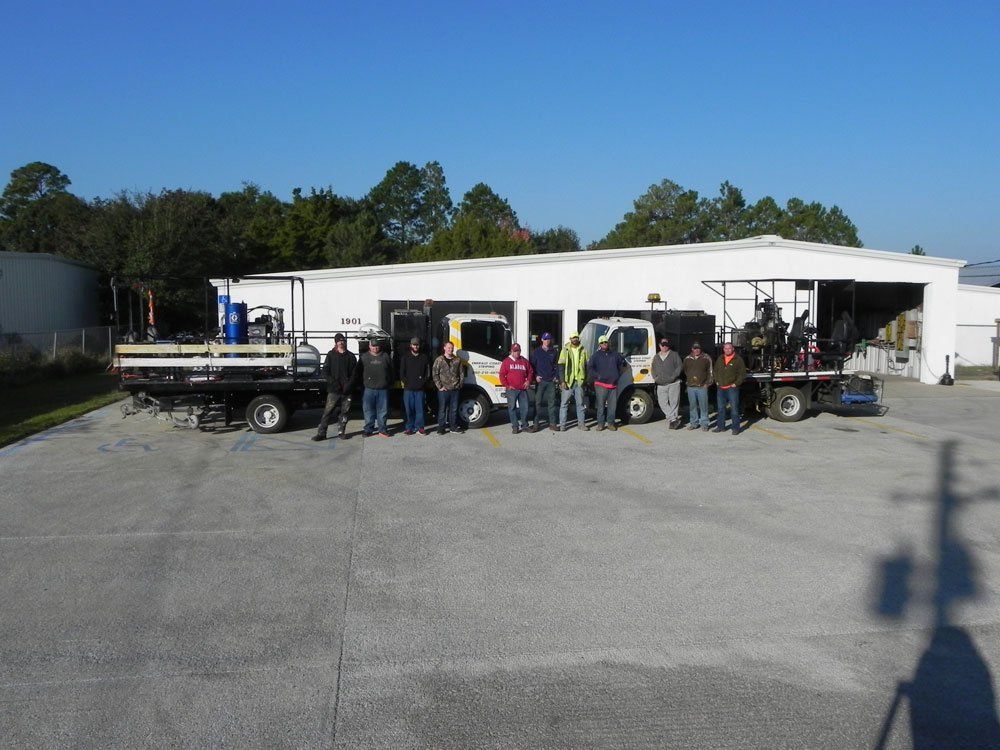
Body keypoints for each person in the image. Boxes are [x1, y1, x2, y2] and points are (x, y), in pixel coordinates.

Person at [312, 333, 357, 441]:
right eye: (339, 341)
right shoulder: (330, 355)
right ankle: (322, 433)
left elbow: (355, 374)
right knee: (327, 412)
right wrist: (333, 383)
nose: (341, 343)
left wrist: (349, 385)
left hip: (346, 391)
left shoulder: (351, 356)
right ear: (336, 342)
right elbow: (325, 371)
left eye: (343, 341)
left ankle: (341, 432)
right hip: (334, 390)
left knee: (344, 412)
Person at [587, 334, 627, 431]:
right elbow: (590, 368)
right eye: (602, 343)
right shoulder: (596, 356)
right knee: (600, 406)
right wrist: (597, 376)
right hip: (600, 385)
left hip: (613, 385)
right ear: (599, 344)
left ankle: (610, 423)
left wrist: (618, 375)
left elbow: (623, 364)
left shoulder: (615, 354)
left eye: (605, 342)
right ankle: (600, 424)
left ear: (608, 343)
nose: (604, 344)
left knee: (612, 406)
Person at [358, 338, 393, 437]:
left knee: (383, 411)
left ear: (379, 346)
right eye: (373, 346)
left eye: (376, 346)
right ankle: (368, 429)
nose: (375, 348)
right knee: (368, 410)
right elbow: (358, 372)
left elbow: (391, 371)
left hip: (383, 389)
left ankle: (382, 429)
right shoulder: (364, 357)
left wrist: (389, 383)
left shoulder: (385, 356)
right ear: (369, 346)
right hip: (368, 389)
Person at [557, 331, 589, 431]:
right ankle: (562, 425)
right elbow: (561, 366)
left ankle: (581, 424)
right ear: (570, 339)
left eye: (576, 337)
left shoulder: (583, 350)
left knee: (580, 404)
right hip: (568, 382)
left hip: (579, 381)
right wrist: (562, 381)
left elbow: (587, 366)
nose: (574, 339)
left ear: (578, 338)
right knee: (564, 404)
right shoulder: (565, 350)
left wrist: (585, 380)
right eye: (573, 337)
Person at [432, 341, 466, 434]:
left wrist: (459, 385)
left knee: (454, 409)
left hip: (455, 389)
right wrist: (440, 386)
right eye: (448, 347)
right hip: (443, 390)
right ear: (444, 348)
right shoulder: (439, 360)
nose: (450, 349)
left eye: (451, 348)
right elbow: (435, 374)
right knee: (442, 409)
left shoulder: (457, 360)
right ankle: (441, 428)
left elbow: (461, 373)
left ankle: (453, 427)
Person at [499, 342, 534, 434]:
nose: (517, 353)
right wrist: (507, 385)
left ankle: (525, 425)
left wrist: (528, 381)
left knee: (525, 408)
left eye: (518, 351)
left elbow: (530, 371)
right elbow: (502, 375)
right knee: (512, 408)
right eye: (515, 351)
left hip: (523, 389)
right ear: (511, 351)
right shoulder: (506, 361)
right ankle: (515, 426)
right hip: (512, 390)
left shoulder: (524, 361)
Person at [713, 341, 747, 435]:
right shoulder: (720, 358)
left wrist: (736, 384)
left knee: (734, 409)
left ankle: (735, 428)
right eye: (725, 348)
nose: (727, 350)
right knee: (720, 409)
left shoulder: (738, 359)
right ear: (723, 349)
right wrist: (717, 381)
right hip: (721, 388)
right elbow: (715, 371)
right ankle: (721, 427)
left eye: (729, 348)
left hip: (732, 388)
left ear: (733, 349)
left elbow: (742, 374)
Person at [399, 336, 430, 435]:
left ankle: (420, 427)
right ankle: (409, 427)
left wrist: (423, 382)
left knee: (420, 410)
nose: (415, 346)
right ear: (411, 345)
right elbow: (401, 373)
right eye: (414, 344)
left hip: (420, 389)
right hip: (408, 389)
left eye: (417, 345)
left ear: (419, 346)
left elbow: (427, 373)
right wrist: (406, 382)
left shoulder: (424, 357)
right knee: (409, 410)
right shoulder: (405, 357)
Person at [529, 332, 559, 431]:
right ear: (542, 340)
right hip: (540, 381)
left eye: (549, 339)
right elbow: (532, 366)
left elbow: (556, 365)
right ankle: (536, 424)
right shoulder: (536, 352)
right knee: (537, 403)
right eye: (545, 339)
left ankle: (553, 424)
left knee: (552, 403)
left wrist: (556, 376)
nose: (547, 341)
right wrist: (535, 376)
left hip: (551, 381)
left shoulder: (553, 351)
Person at [652, 338, 683, 429]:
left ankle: (673, 422)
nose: (664, 346)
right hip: (661, 384)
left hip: (673, 383)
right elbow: (653, 368)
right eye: (662, 345)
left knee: (674, 403)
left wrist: (673, 376)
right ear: (659, 345)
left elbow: (679, 366)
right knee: (662, 403)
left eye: (666, 345)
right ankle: (673, 419)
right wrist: (655, 377)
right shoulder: (656, 357)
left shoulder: (674, 354)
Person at [682, 340, 713, 431]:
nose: (696, 350)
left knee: (704, 406)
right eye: (695, 348)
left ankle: (704, 424)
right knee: (692, 406)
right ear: (692, 349)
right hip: (691, 387)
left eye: (698, 348)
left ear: (700, 349)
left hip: (702, 387)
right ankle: (694, 423)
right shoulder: (687, 359)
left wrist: (707, 384)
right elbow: (685, 371)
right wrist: (689, 381)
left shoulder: (706, 358)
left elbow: (710, 372)